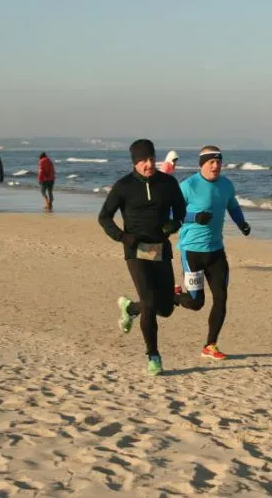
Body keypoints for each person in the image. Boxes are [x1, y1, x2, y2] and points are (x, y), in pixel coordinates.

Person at [98, 139, 186, 376]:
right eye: (143, 160)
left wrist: (174, 224)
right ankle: (153, 356)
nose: (149, 164)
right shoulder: (123, 186)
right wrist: (122, 237)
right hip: (135, 250)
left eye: (151, 159)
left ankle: (130, 308)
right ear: (135, 162)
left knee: (165, 308)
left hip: (160, 248)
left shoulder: (168, 183)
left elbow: (180, 210)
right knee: (149, 302)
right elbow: (104, 217)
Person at [174, 145, 251, 361]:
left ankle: (210, 345)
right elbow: (172, 213)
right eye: (211, 162)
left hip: (216, 251)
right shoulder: (188, 186)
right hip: (192, 252)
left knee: (221, 298)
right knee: (196, 303)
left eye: (218, 162)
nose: (216, 166)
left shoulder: (226, 185)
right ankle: (175, 296)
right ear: (202, 164)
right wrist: (194, 217)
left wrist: (242, 224)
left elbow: (233, 207)